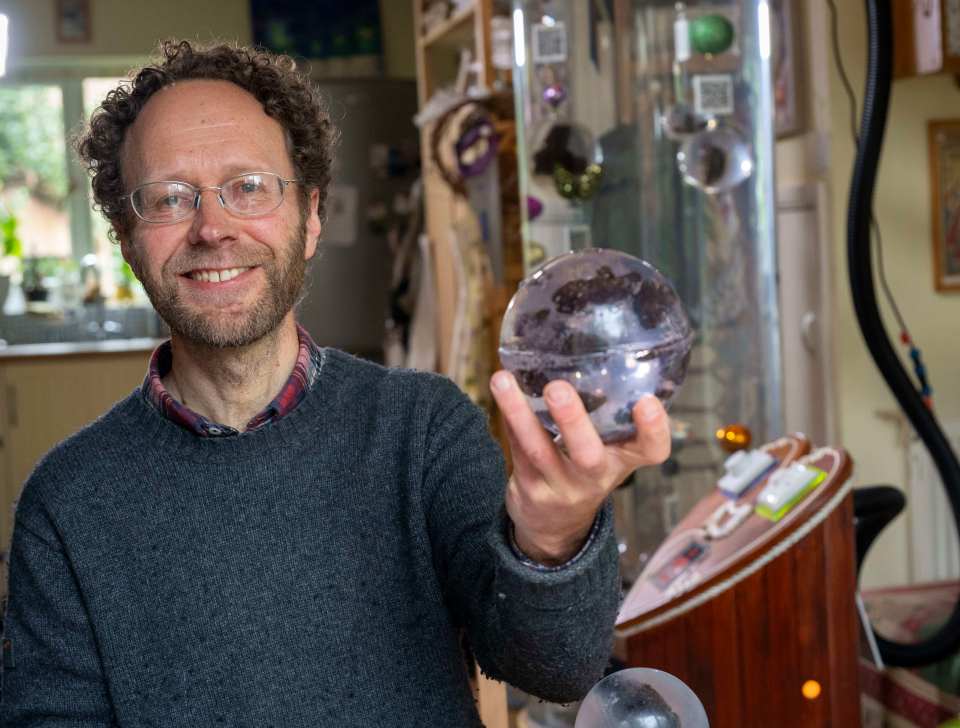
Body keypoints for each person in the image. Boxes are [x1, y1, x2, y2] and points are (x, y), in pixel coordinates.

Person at [0, 41, 670, 726]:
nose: (212, 227)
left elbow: (553, 668)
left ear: (312, 216)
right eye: (169, 198)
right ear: (124, 236)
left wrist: (555, 538)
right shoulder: (68, 501)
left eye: (249, 187)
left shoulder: (422, 430)